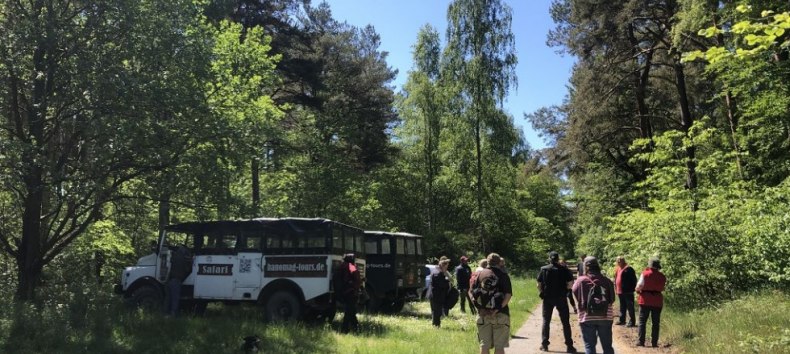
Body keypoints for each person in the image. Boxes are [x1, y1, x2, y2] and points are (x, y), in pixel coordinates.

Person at [572, 256, 615, 354]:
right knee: (607, 347)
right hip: (605, 316)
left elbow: (574, 291)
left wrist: (583, 302)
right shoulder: (607, 280)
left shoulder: (581, 280)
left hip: (586, 316)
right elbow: (612, 299)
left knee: (589, 346)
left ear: (586, 267)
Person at [537, 251, 577, 353]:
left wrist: (542, 292)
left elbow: (539, 284)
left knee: (546, 321)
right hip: (561, 298)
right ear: (558, 259)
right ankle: (569, 346)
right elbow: (570, 283)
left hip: (548, 298)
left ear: (549, 259)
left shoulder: (544, 269)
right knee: (565, 322)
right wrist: (566, 291)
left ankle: (544, 345)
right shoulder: (564, 269)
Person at [473, 253, 512, 354]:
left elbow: (472, 293)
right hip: (501, 314)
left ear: (487, 262)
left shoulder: (479, 274)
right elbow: (508, 295)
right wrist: (497, 309)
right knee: (499, 347)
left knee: (484, 346)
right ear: (499, 262)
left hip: (483, 314)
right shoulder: (503, 275)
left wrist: (480, 309)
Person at [636, 258, 667, 347]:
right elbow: (663, 287)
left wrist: (638, 291)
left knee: (642, 321)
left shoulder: (645, 274)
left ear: (650, 265)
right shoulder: (662, 276)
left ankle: (641, 341)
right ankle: (654, 343)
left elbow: (639, 286)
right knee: (655, 323)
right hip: (657, 300)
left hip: (645, 300)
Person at [335, 253, 362, 333]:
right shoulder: (351, 266)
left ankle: (355, 328)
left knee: (351, 311)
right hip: (351, 292)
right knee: (349, 311)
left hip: (344, 292)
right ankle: (345, 329)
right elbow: (357, 279)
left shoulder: (341, 266)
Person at [164, 245, 192, 316]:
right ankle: (173, 314)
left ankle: (165, 314)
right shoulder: (183, 259)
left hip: (168, 280)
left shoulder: (174, 257)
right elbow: (187, 269)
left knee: (168, 299)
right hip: (176, 281)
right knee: (175, 299)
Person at [614, 256, 637, 327]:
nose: (618, 262)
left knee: (630, 307)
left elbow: (634, 280)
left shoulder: (629, 269)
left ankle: (632, 322)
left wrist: (631, 289)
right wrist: (616, 288)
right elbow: (616, 278)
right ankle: (622, 320)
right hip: (620, 291)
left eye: (620, 261)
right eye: (617, 261)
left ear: (623, 261)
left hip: (628, 291)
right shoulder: (618, 269)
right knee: (622, 306)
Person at [429, 258, 451, 327]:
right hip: (436, 296)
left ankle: (435, 325)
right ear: (443, 266)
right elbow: (442, 284)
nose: (447, 268)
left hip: (438, 295)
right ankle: (436, 325)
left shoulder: (440, 273)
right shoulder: (437, 273)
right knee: (437, 312)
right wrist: (447, 280)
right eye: (446, 266)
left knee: (436, 311)